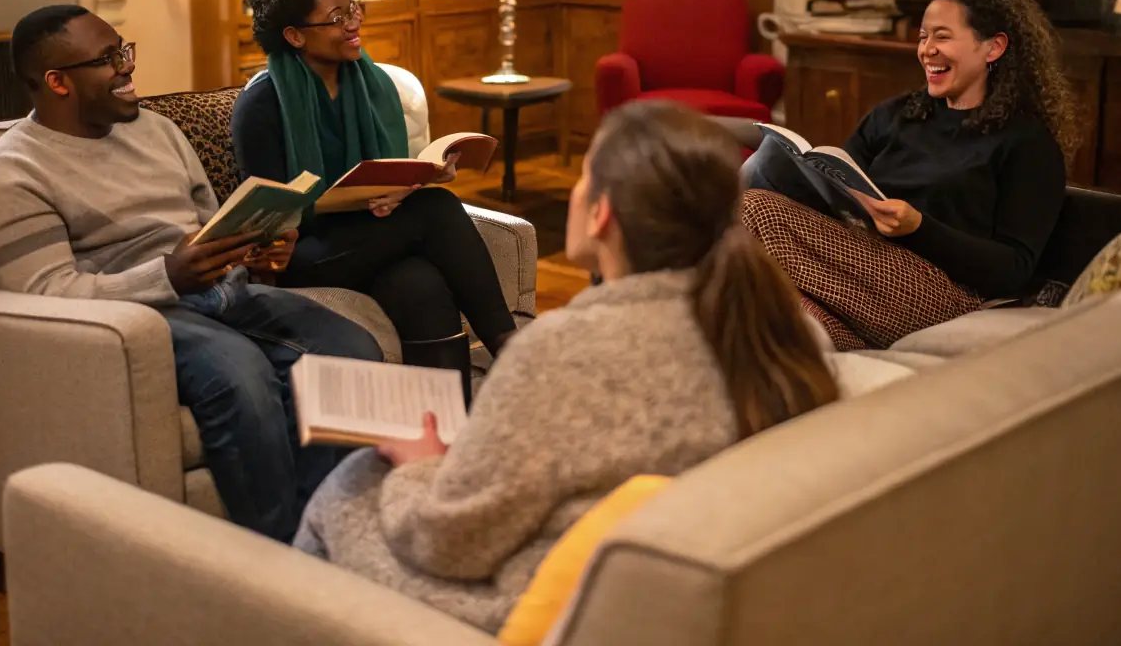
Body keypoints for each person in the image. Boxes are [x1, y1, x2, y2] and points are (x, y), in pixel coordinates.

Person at [294, 101, 908, 632]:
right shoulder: (785, 331)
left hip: (546, 604)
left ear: (603, 213)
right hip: (673, 599)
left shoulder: (562, 353)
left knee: (346, 487)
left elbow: (448, 542)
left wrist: (421, 470)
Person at [0, 5, 383, 543]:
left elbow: (206, 222)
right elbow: (46, 293)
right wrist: (166, 277)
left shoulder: (157, 131)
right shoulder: (12, 174)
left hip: (220, 290)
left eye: (125, 51)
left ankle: (321, 533)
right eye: (109, 59)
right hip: (139, 315)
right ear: (57, 81)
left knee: (352, 349)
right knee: (239, 374)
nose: (127, 69)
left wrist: (254, 251)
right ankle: (280, 562)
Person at [741, 0, 1076, 349]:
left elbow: (1013, 269)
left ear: (993, 47)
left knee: (757, 211)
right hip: (859, 268)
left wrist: (919, 227)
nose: (927, 50)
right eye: (923, 36)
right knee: (768, 307)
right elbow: (838, 182)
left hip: (947, 292)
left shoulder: (1027, 143)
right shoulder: (895, 116)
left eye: (942, 36)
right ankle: (834, 351)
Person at [231, 0, 517, 396]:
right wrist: (353, 199)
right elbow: (271, 217)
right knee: (436, 209)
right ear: (294, 36)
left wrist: (416, 179)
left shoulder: (375, 87)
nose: (353, 21)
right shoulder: (262, 104)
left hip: (368, 235)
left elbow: (386, 173)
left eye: (353, 7)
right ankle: (513, 349)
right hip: (299, 252)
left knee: (421, 285)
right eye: (336, 16)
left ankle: (447, 435)